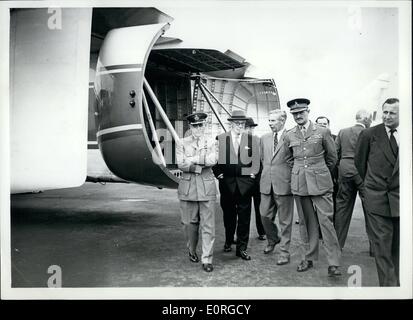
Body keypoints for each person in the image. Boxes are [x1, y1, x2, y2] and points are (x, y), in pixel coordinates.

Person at [284, 98, 342, 277]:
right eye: (294, 114)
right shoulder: (289, 134)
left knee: (326, 222)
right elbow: (288, 159)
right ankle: (307, 258)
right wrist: (300, 171)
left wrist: (320, 172)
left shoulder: (322, 131)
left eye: (301, 112)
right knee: (305, 223)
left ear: (308, 111)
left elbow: (332, 158)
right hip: (300, 183)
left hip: (321, 183)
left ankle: (334, 263)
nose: (298, 116)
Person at [355, 98, 400, 286]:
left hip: (401, 200)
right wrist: (373, 187)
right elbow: (360, 163)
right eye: (385, 112)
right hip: (377, 199)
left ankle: (399, 284)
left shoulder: (406, 134)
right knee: (382, 248)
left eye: (392, 113)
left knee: (399, 248)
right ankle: (390, 290)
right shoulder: (369, 134)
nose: (387, 116)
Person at [213, 110, 260, 260]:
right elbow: (214, 160)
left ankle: (241, 248)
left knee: (244, 218)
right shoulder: (221, 139)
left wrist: (252, 176)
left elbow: (256, 161)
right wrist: (218, 174)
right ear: (231, 124)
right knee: (229, 216)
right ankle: (228, 240)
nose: (240, 126)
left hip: (245, 186)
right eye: (237, 123)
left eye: (242, 123)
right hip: (227, 184)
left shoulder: (251, 140)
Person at [176, 112, 218, 272]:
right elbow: (181, 164)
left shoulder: (212, 142)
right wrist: (201, 162)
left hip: (206, 188)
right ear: (190, 127)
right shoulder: (181, 143)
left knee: (208, 225)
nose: (198, 128)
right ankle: (192, 250)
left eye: (201, 125)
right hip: (188, 188)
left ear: (205, 125)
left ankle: (207, 259)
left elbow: (213, 160)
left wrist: (192, 160)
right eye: (195, 125)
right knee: (189, 224)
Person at [334, 109, 373, 254]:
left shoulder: (343, 132)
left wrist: (339, 167)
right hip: (364, 173)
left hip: (345, 171)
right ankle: (374, 248)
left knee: (342, 207)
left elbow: (335, 152)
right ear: (367, 120)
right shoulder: (370, 133)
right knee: (370, 209)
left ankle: (337, 244)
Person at [259, 110, 294, 265]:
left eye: (273, 121)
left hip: (284, 184)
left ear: (282, 121)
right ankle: (273, 238)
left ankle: (285, 252)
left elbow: (294, 160)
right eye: (269, 120)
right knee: (264, 215)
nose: (270, 123)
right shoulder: (264, 138)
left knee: (285, 221)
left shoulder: (290, 137)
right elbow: (262, 159)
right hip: (266, 183)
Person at [245, 117, 266, 241]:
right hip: (244, 180)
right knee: (244, 210)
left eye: (252, 127)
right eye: (248, 127)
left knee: (260, 208)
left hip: (258, 180)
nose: (250, 130)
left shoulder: (258, 140)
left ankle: (262, 231)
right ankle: (243, 234)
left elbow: (263, 159)